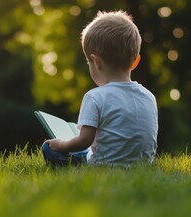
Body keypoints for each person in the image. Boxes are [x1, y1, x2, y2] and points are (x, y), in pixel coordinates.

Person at [42, 10, 158, 167]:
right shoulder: (148, 96)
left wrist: (60, 144)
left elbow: (84, 141)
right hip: (142, 166)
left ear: (96, 62)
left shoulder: (95, 97)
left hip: (103, 166)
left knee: (48, 148)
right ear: (135, 61)